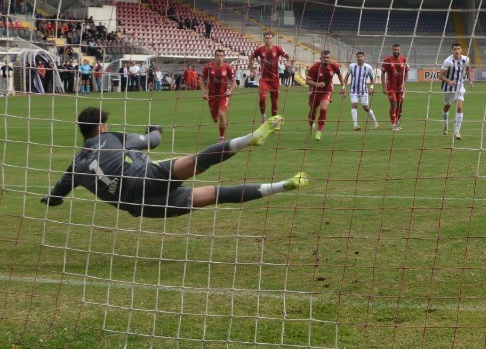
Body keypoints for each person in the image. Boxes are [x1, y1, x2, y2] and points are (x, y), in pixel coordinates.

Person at [41, 108, 302, 218]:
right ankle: (249, 139)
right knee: (198, 161)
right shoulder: (111, 137)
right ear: (101, 127)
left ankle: (279, 186)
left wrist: (53, 199)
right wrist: (157, 128)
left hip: (137, 205)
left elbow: (56, 194)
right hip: (144, 175)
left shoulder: (74, 166)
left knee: (216, 195)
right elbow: (152, 140)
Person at [201, 47, 238, 139]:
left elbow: (233, 81)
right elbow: (201, 78)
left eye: (221, 56)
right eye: (218, 56)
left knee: (221, 114)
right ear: (214, 56)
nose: (219, 57)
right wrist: (204, 92)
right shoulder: (208, 67)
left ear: (224, 57)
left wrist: (230, 91)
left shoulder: (228, 67)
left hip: (223, 95)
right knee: (215, 119)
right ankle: (218, 119)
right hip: (212, 96)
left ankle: (222, 137)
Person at [305, 49, 341, 141]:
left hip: (327, 91)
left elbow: (339, 74)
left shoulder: (334, 66)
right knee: (313, 111)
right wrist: (317, 84)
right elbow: (307, 81)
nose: (325, 59)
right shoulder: (314, 67)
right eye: (324, 57)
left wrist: (343, 87)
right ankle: (310, 124)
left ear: (330, 58)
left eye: (327, 57)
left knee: (323, 109)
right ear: (320, 58)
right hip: (315, 92)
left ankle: (319, 132)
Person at [440, 42, 473, 139]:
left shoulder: (465, 59)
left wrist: (470, 80)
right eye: (455, 49)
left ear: (461, 50)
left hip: (459, 86)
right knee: (447, 107)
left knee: (459, 108)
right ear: (452, 50)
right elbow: (440, 75)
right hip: (448, 88)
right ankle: (445, 123)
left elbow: (468, 68)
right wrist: (449, 81)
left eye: (458, 49)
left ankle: (457, 131)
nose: (457, 51)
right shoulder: (448, 61)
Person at [251, 32, 286, 117]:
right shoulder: (260, 50)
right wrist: (251, 71)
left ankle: (273, 118)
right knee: (262, 98)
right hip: (264, 79)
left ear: (272, 39)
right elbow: (250, 58)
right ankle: (263, 115)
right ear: (264, 39)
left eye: (270, 38)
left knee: (274, 101)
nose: (268, 39)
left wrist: (288, 63)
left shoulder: (278, 49)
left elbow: (288, 56)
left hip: (275, 79)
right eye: (266, 38)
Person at [345, 51, 379, 130]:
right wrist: (344, 87)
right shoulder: (352, 66)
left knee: (365, 107)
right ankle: (355, 125)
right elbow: (346, 76)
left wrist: (371, 87)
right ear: (356, 58)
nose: (360, 58)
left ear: (364, 57)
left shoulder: (368, 67)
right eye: (358, 57)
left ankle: (375, 122)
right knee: (354, 105)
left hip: (363, 90)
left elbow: (372, 79)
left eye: (361, 56)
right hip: (353, 90)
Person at [381, 43, 409, 130]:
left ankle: (397, 121)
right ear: (392, 50)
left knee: (400, 105)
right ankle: (393, 124)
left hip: (401, 87)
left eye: (398, 50)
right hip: (391, 87)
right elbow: (382, 73)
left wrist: (404, 85)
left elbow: (407, 73)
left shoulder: (404, 59)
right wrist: (384, 87)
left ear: (400, 51)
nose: (396, 51)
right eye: (394, 50)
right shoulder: (387, 60)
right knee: (394, 104)